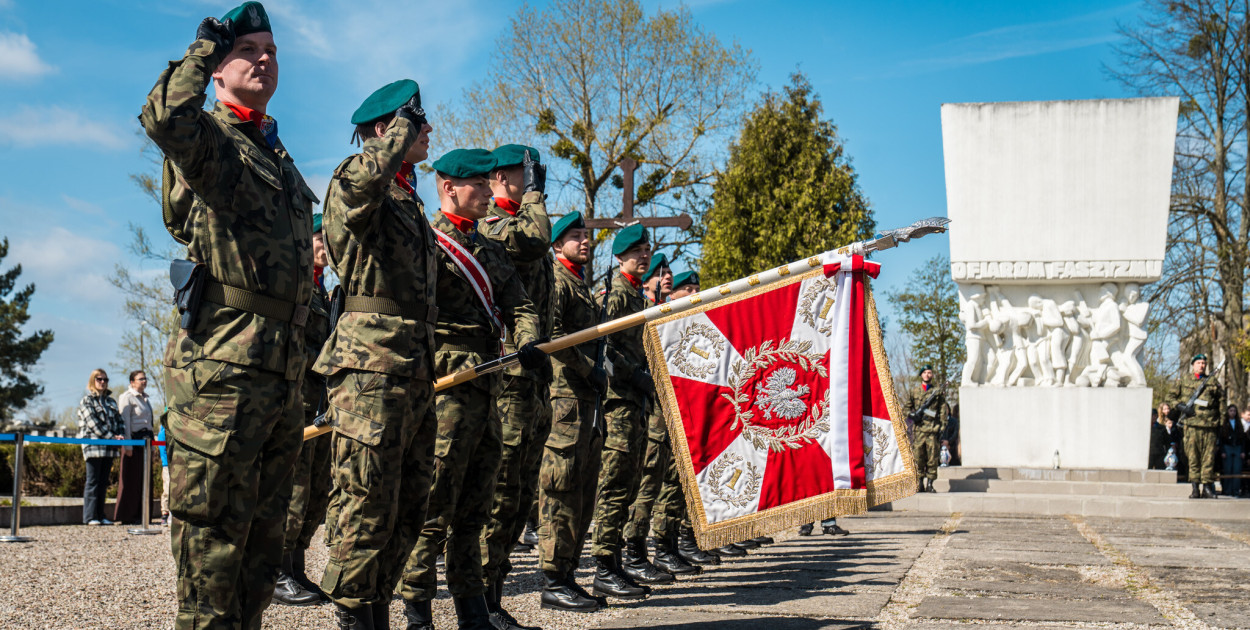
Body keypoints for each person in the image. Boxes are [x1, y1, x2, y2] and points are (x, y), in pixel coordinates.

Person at [140, 3, 318, 626]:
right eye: (248, 50)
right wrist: (203, 49)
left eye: (271, 49)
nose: (264, 58)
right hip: (223, 377)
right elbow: (163, 117)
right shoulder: (213, 143)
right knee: (211, 560)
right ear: (218, 70)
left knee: (260, 563)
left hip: (279, 378)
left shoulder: (280, 159)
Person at [399, 148, 545, 630]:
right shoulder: (429, 243)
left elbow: (519, 305)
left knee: (474, 509)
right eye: (479, 186)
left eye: (489, 184)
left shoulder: (489, 248)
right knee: (433, 508)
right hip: (447, 390)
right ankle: (418, 611)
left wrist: (526, 339)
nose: (489, 193)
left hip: (489, 388)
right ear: (449, 189)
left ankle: (472, 610)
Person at [314, 79, 440, 629]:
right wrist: (398, 130)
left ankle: (374, 607)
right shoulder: (354, 178)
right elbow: (366, 180)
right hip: (369, 367)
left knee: (409, 502)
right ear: (389, 129)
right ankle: (353, 614)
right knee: (364, 500)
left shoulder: (410, 201)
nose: (427, 129)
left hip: (412, 364)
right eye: (418, 120)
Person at [479, 144, 555, 630]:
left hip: (534, 378)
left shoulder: (522, 219)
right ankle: (482, 597)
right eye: (523, 174)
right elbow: (535, 240)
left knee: (522, 491)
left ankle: (493, 594)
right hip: (507, 380)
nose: (531, 183)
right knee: (499, 491)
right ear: (499, 178)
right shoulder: (495, 227)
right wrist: (534, 194)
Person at [537, 211, 610, 612]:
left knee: (582, 491)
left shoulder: (581, 284)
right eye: (575, 235)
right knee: (561, 489)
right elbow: (556, 336)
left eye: (585, 235)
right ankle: (552, 577)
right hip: (566, 398)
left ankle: (568, 573)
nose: (584, 241)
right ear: (557, 243)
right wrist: (588, 369)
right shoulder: (558, 281)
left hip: (586, 402)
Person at [590, 223, 656, 600]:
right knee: (614, 485)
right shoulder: (614, 295)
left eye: (646, 250)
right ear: (620, 256)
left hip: (635, 404)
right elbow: (605, 348)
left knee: (629, 484)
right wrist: (635, 375)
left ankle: (615, 562)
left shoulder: (636, 297)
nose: (643, 255)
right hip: (617, 403)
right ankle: (603, 565)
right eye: (637, 251)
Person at [273, 212, 333, 608]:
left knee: (315, 493)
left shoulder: (325, 293)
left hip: (321, 404)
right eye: (319, 238)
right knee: (293, 489)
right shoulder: (295, 285)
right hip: (297, 401)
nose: (325, 246)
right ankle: (276, 573)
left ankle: (296, 569)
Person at [660, 271, 723, 568]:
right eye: (688, 289)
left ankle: (687, 540)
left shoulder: (696, 326)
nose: (695, 293)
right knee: (667, 485)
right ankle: (664, 547)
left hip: (691, 411)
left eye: (698, 289)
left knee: (690, 481)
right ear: (673, 295)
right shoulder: (665, 321)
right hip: (662, 414)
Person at [1169, 354, 1223, 499]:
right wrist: (1181, 407)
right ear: (1193, 365)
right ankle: (1194, 488)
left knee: (1208, 458)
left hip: (1209, 425)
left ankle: (1207, 487)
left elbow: (1221, 401)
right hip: (1191, 424)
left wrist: (1221, 422)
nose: (1202, 365)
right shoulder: (1184, 380)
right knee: (1193, 458)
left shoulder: (1212, 380)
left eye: (1204, 363)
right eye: (1199, 363)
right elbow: (1170, 398)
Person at [77, 369, 124, 526]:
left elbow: (119, 421)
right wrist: (112, 436)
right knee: (93, 481)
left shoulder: (111, 402)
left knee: (104, 482)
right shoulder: (87, 401)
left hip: (109, 448)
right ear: (93, 381)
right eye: (99, 379)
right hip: (93, 446)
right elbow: (93, 424)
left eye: (105, 379)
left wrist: (120, 435)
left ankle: (101, 514)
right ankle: (90, 516)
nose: (103, 382)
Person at [114, 370, 155, 525]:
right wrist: (128, 445)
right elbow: (125, 422)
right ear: (132, 382)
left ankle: (142, 514)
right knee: (131, 480)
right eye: (141, 379)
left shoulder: (146, 399)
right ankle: (127, 515)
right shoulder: (127, 397)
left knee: (144, 480)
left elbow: (150, 424)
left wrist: (152, 448)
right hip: (134, 441)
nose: (144, 381)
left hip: (146, 441)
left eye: (145, 378)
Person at [905, 365, 949, 493]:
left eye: (929, 372)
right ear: (921, 375)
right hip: (919, 430)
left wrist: (942, 426)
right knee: (918, 458)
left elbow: (942, 411)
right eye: (924, 372)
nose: (927, 375)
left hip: (932, 430)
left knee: (932, 459)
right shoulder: (914, 392)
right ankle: (919, 483)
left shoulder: (937, 392)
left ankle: (930, 484)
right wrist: (912, 415)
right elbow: (906, 408)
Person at [1218, 403, 1246, 496]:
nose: (1232, 413)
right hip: (1227, 447)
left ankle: (1236, 491)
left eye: (1234, 411)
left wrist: (1242, 451)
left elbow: (1242, 438)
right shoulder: (1224, 423)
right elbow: (1221, 439)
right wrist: (1222, 451)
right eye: (1231, 411)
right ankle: (1227, 491)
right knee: (1227, 469)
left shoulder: (1238, 423)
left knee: (1237, 470)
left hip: (1237, 447)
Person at [157, 410, 170, 526]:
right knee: (167, 489)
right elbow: (163, 451)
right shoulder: (163, 433)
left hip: (175, 464)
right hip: (167, 465)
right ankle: (165, 512)